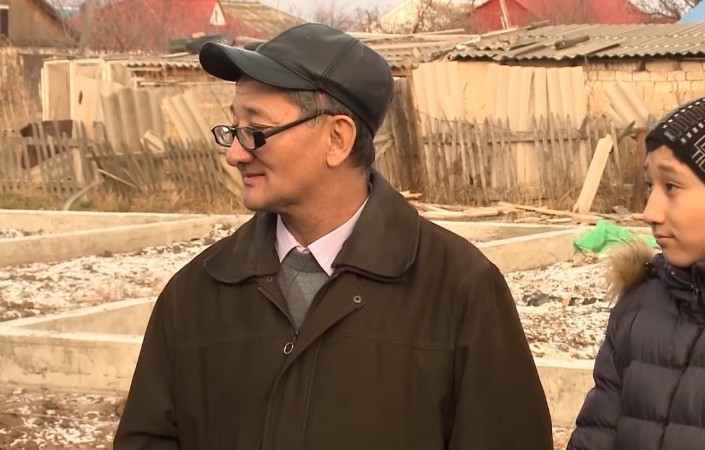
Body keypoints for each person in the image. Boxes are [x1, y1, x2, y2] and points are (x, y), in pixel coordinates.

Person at [114, 23, 552, 450]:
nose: (235, 154)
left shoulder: (460, 291)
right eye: (233, 129)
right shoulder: (195, 295)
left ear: (337, 139)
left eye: (256, 132)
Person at [567, 97, 705, 450]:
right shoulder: (639, 307)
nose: (649, 212)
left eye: (671, 186)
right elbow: (595, 437)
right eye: (649, 185)